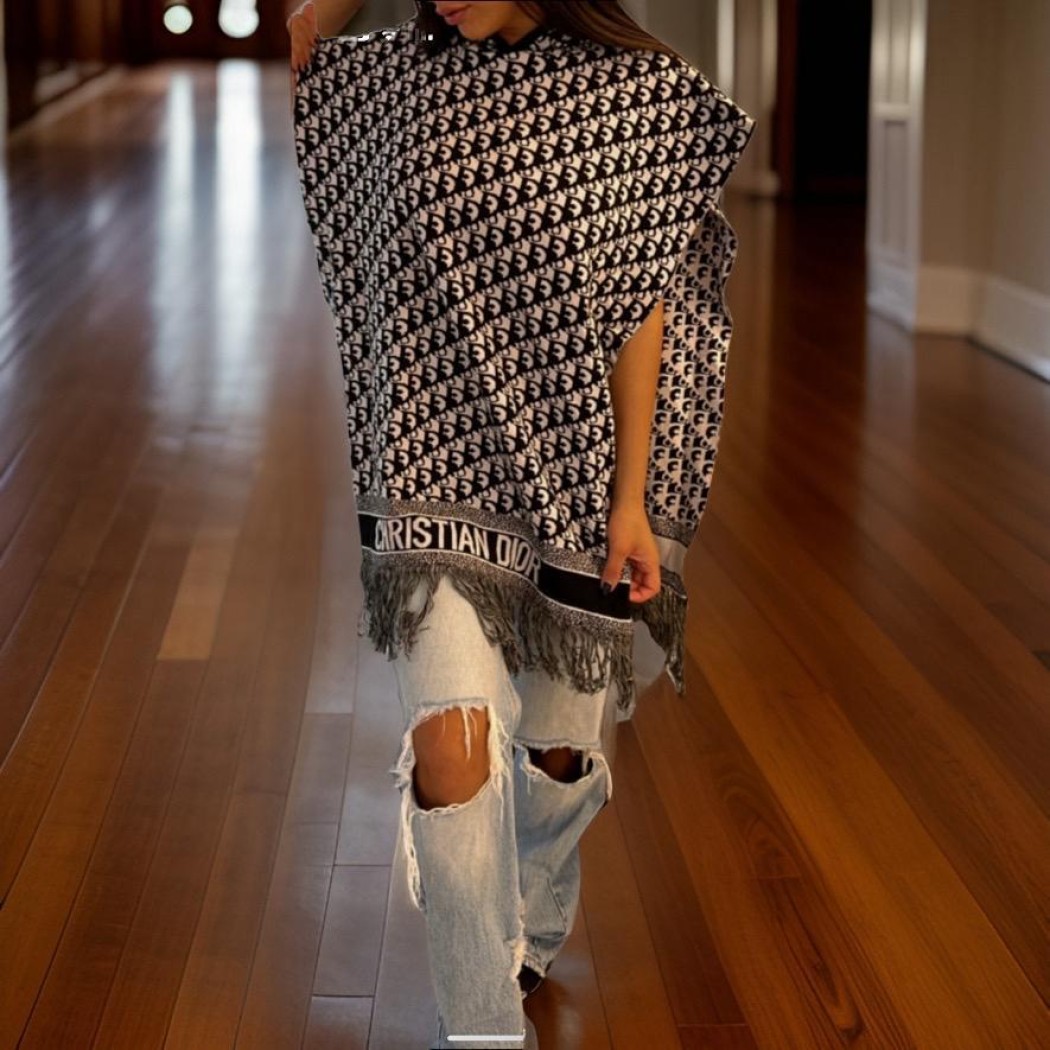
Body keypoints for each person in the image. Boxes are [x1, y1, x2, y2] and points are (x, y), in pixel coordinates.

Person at [286, 2, 755, 1047]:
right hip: (432, 476)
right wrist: (325, 11)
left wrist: (630, 501)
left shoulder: (627, 94)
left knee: (555, 759)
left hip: (575, 479)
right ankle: (485, 1027)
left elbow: (638, 309)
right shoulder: (392, 83)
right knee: (450, 760)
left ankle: (532, 909)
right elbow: (307, 74)